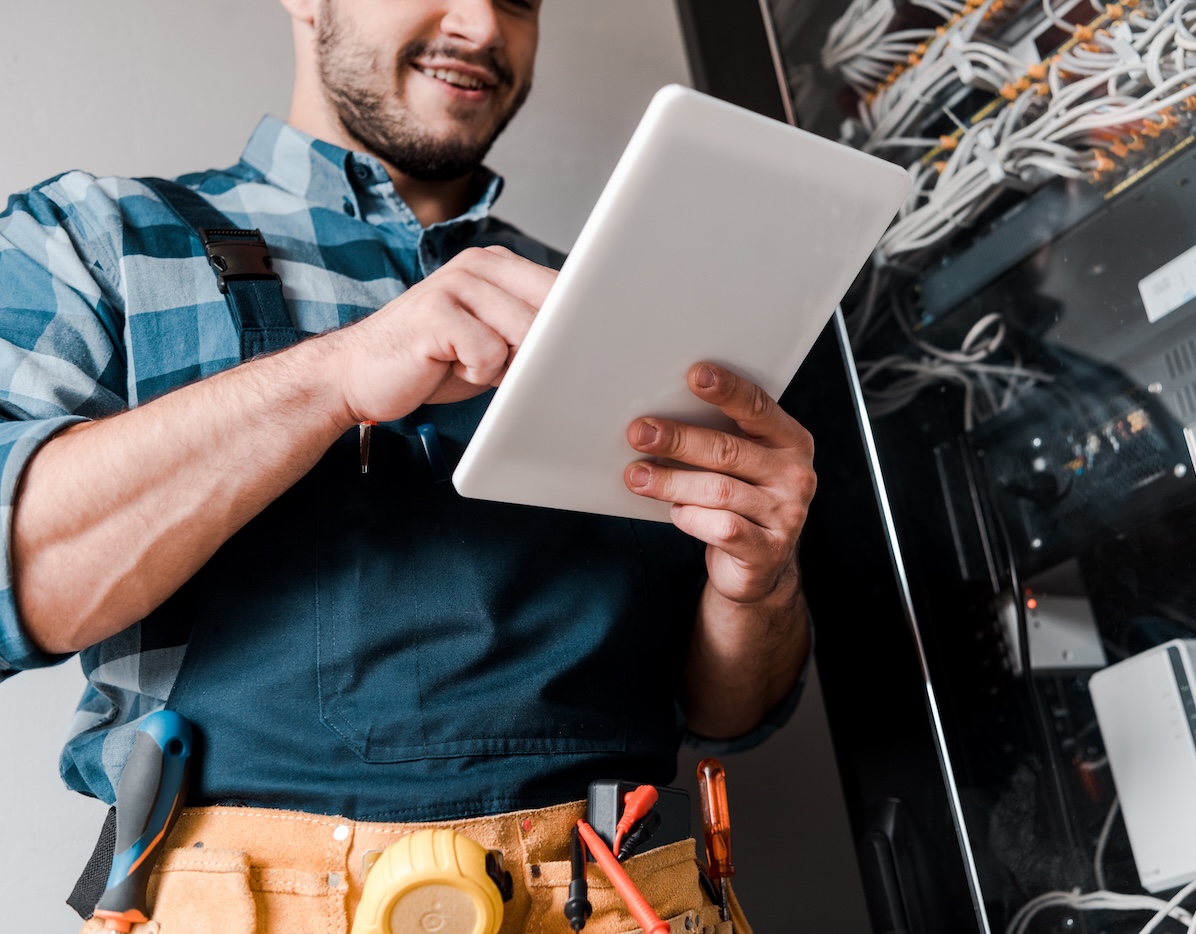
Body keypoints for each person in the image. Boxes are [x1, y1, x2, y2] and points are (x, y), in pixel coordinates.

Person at [0, 1, 814, 930]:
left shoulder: (616, 306)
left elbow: (728, 711)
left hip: (633, 900)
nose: (479, 22)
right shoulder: (98, 241)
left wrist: (760, 582)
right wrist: (327, 380)